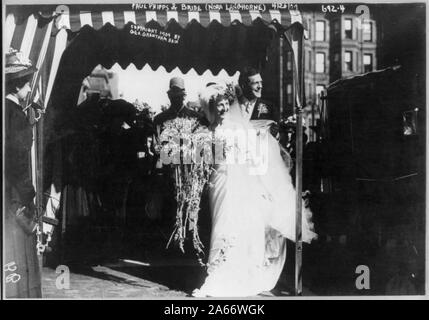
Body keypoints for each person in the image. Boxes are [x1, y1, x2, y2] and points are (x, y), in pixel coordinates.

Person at [192, 83, 317, 297]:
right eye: (217, 104)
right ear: (211, 107)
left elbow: (254, 158)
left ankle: (235, 275)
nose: (222, 108)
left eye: (224, 103)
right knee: (220, 226)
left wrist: (261, 184)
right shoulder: (206, 131)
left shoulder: (239, 128)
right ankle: (218, 271)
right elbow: (200, 160)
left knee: (236, 227)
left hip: (239, 182)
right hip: (218, 183)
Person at [4, 48, 42, 298]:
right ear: (18, 85)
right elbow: (18, 161)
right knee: (17, 253)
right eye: (27, 84)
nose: (29, 90)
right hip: (15, 196)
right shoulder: (15, 115)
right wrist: (30, 195)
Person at [238, 67, 279, 137]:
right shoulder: (232, 105)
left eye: (261, 82)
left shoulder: (270, 108)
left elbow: (276, 135)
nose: (260, 86)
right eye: (255, 83)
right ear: (244, 86)